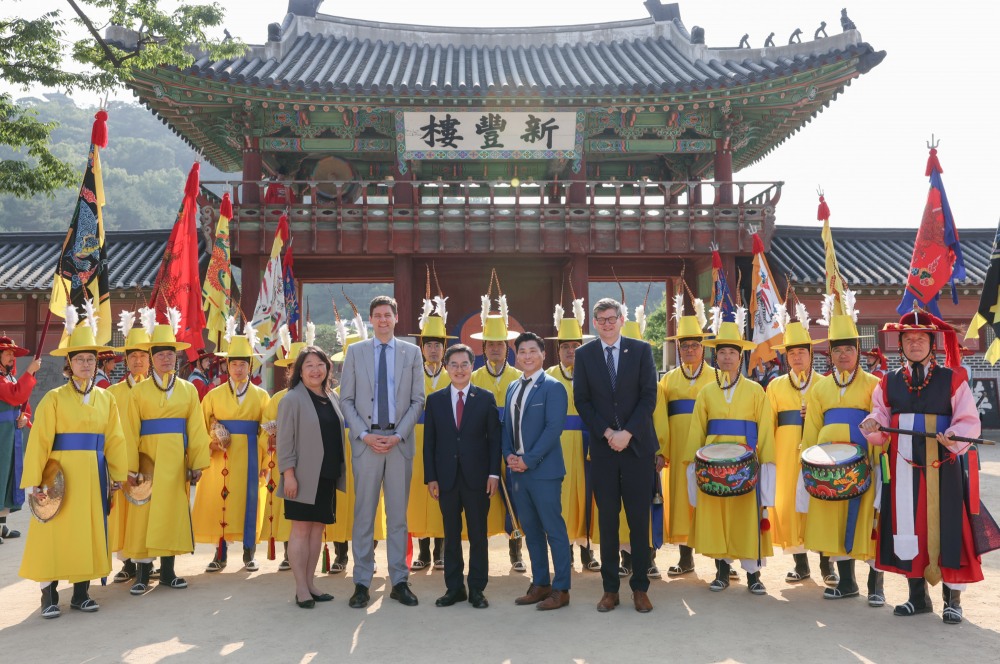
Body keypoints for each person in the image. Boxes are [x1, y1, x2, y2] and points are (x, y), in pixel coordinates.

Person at [860, 311, 1000, 624]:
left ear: (931, 343)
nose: (915, 344)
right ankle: (917, 597)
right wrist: (872, 423)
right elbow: (880, 414)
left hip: (942, 461)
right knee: (908, 524)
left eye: (921, 338)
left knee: (949, 524)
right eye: (908, 339)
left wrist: (954, 434)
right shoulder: (888, 381)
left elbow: (967, 418)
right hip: (903, 464)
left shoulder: (952, 378)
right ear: (900, 344)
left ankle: (953, 601)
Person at [19, 313, 128, 618]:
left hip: (93, 474)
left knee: (86, 532)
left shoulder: (106, 398)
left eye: (90, 360)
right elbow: (40, 441)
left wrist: (117, 474)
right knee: (54, 532)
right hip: (59, 476)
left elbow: (115, 439)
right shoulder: (53, 398)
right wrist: (35, 481)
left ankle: (81, 593)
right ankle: (49, 595)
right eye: (79, 359)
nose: (85, 364)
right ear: (69, 363)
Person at [573, 298, 658, 613]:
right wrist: (608, 433)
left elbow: (649, 396)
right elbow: (582, 400)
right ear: (594, 323)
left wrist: (628, 432)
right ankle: (610, 589)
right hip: (604, 449)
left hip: (637, 448)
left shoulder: (641, 350)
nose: (607, 324)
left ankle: (640, 588)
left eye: (612, 318)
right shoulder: (584, 355)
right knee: (607, 521)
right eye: (601, 320)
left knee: (638, 520)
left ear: (622, 320)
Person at [340, 295, 424, 609]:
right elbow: (346, 399)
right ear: (371, 319)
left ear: (396, 318)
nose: (383, 320)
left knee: (398, 516)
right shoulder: (356, 352)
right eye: (377, 315)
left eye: (388, 314)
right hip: (367, 442)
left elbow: (418, 400)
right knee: (364, 515)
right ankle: (362, 582)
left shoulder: (411, 352)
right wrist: (364, 434)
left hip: (398, 443)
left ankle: (399, 581)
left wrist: (399, 434)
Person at [685, 318, 776, 596]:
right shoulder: (706, 392)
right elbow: (697, 430)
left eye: (732, 353)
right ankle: (722, 572)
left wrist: (766, 466)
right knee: (718, 516)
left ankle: (754, 575)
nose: (727, 357)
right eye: (722, 352)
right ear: (716, 356)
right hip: (713, 466)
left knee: (746, 518)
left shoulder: (755, 391)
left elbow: (765, 429)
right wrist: (693, 466)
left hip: (745, 466)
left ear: (740, 357)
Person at [121, 316, 211, 596]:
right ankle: (142, 574)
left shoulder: (187, 390)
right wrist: (131, 467)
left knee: (171, 512)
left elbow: (196, 427)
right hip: (147, 460)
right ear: (152, 358)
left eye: (170, 354)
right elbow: (129, 430)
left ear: (177, 357)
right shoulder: (139, 392)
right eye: (160, 355)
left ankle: (169, 572)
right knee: (143, 512)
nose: (166, 359)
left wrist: (197, 462)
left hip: (174, 462)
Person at [799, 310, 882, 605]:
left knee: (868, 520)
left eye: (849, 349)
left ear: (858, 351)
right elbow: (812, 428)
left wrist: (877, 461)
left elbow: (881, 422)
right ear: (830, 354)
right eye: (837, 350)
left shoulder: (874, 384)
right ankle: (847, 582)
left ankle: (876, 585)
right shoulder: (820, 388)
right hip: (828, 467)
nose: (843, 355)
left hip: (864, 462)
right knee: (836, 520)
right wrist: (808, 465)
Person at [424, 344, 501, 608]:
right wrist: (431, 477)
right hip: (446, 479)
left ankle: (477, 589)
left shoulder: (485, 398)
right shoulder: (435, 400)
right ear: (446, 367)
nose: (459, 370)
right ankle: (454, 588)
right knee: (451, 534)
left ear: (472, 366)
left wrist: (494, 474)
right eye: (454, 365)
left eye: (464, 364)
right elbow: (429, 442)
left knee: (478, 534)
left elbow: (494, 440)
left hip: (478, 479)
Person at [765, 306, 837, 586]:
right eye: (792, 353)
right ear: (786, 356)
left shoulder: (824, 384)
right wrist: (768, 455)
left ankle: (827, 564)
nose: (797, 357)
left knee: (819, 501)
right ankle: (801, 564)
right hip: (784, 450)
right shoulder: (775, 385)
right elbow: (768, 422)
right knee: (789, 505)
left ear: (811, 354)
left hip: (817, 449)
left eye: (802, 352)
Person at [192, 328, 270, 572]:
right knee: (220, 500)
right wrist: (212, 441)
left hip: (250, 455)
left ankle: (249, 552)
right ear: (227, 365)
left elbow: (267, 430)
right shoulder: (213, 396)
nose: (238, 369)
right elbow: (200, 425)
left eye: (242, 364)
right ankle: (220, 553)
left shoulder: (261, 396)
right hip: (221, 457)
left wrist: (264, 461)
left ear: (250, 366)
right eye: (234, 364)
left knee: (249, 500)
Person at [505, 332, 572, 611]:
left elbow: (553, 429)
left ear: (544, 354)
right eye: (522, 351)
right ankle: (541, 583)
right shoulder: (512, 387)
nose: (527, 356)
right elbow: (506, 427)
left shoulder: (553, 387)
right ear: (516, 356)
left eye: (533, 350)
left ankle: (561, 589)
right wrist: (509, 455)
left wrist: (529, 460)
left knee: (553, 529)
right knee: (531, 530)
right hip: (517, 471)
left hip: (544, 471)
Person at [277, 345, 347, 608]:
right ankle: (300, 589)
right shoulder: (292, 399)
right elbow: (285, 442)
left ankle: (311, 583)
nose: (316, 370)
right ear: (299, 371)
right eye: (309, 365)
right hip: (302, 476)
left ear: (327, 368)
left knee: (317, 530)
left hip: (327, 473)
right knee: (301, 529)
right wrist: (289, 475)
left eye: (320, 364)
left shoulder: (332, 396)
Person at [653, 303, 713, 577]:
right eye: (685, 346)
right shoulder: (668, 380)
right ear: (679, 349)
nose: (690, 350)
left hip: (707, 446)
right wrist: (662, 450)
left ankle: (721, 562)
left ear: (703, 348)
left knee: (711, 498)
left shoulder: (716, 377)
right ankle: (685, 558)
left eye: (694, 345)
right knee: (681, 499)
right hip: (677, 448)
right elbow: (659, 417)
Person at [545, 304, 600, 571]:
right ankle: (563, 550)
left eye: (575, 346)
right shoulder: (547, 377)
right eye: (565, 346)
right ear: (557, 350)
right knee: (561, 497)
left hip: (589, 442)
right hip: (558, 444)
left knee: (588, 495)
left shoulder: (594, 374)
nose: (570, 351)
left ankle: (588, 551)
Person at [470, 308, 525, 571]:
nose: (495, 349)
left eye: (499, 344)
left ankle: (516, 551)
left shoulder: (518, 377)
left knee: (514, 498)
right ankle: (481, 555)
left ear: (507, 347)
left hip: (513, 445)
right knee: (481, 498)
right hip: (482, 446)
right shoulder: (474, 377)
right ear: (483, 348)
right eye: (490, 344)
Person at [408, 306, 455, 571]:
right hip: (416, 440)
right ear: (422, 348)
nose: (434, 350)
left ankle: (441, 550)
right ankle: (423, 551)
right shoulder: (412, 375)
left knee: (443, 491)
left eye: (438, 345)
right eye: (429, 345)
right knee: (417, 494)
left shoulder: (454, 376)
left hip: (445, 441)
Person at [106, 318, 150, 584]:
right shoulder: (113, 393)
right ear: (126, 360)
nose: (138, 361)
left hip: (149, 461)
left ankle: (147, 559)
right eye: (133, 356)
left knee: (145, 511)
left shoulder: (156, 391)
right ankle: (127, 563)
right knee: (122, 513)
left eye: (142, 356)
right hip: (121, 462)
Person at [0, 336, 39, 542]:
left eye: (12, 354)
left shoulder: (11, 378)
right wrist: (30, 371)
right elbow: (15, 395)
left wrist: (25, 417)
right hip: (1, 434)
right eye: (7, 353)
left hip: (11, 433)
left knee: (9, 477)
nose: (11, 358)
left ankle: (2, 525)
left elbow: (23, 403)